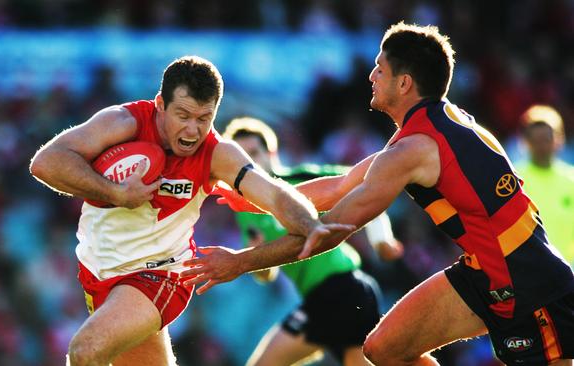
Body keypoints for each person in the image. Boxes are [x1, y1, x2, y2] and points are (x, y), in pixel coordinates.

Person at [182, 23, 574, 366]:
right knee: (385, 348)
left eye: (379, 69)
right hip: (485, 271)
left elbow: (329, 231)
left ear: (404, 84)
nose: (370, 76)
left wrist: (240, 262)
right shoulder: (441, 122)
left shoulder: (412, 150)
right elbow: (340, 186)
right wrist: (255, 197)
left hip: (529, 281)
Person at [29, 55, 353, 366]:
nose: (192, 131)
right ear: (160, 105)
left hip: (161, 275)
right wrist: (115, 192)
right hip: (99, 276)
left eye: (204, 119)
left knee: (86, 351)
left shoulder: (218, 153)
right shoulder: (123, 123)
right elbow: (45, 163)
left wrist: (310, 225)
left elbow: (274, 193)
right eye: (183, 116)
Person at [221, 117, 402, 366]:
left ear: (271, 152)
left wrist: (382, 239)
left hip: (343, 287)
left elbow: (368, 184)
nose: (253, 165)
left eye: (255, 154)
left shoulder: (302, 180)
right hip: (325, 297)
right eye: (245, 160)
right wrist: (256, 252)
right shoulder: (245, 210)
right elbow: (266, 275)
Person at [514, 104, 574, 265]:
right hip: (529, 270)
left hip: (568, 273)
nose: (541, 146)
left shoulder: (571, 180)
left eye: (546, 139)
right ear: (526, 142)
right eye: (536, 140)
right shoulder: (515, 180)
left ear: (559, 139)